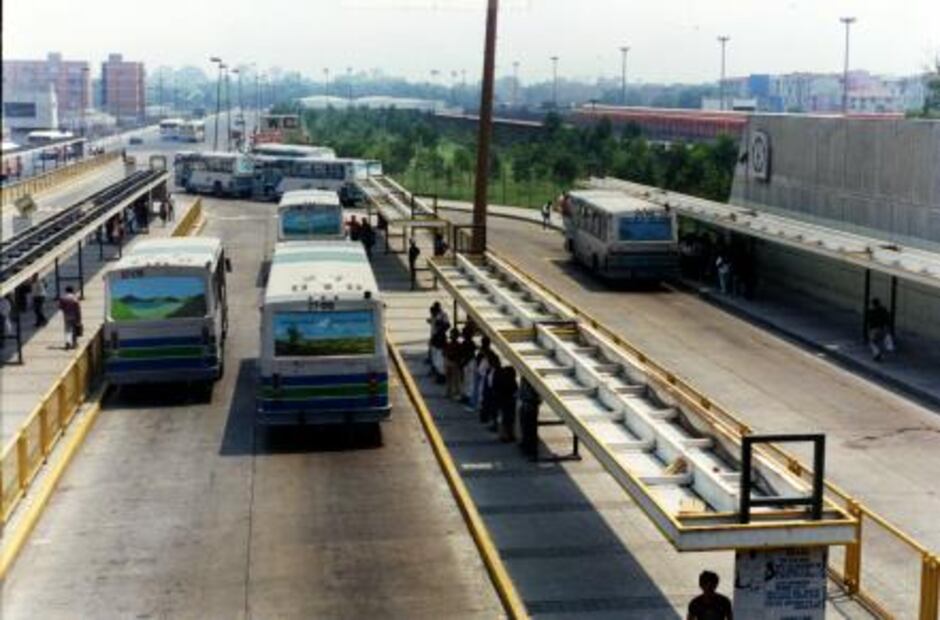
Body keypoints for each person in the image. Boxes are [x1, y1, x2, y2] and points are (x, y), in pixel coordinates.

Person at [518, 377, 542, 459]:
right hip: (527, 404)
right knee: (526, 427)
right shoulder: (525, 378)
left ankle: (531, 450)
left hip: (530, 405)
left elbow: (536, 396)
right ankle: (527, 446)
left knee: (530, 429)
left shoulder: (531, 380)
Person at [494, 365, 518, 441]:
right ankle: (511, 434)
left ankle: (504, 435)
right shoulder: (513, 382)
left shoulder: (501, 381)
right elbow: (515, 392)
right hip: (510, 403)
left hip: (502, 403)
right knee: (510, 420)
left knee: (503, 420)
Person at [444, 328, 463, 399]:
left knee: (456, 379)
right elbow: (445, 352)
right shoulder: (449, 344)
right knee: (449, 378)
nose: (452, 336)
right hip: (449, 362)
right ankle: (449, 392)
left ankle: (455, 392)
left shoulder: (458, 345)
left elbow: (460, 354)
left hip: (455, 363)